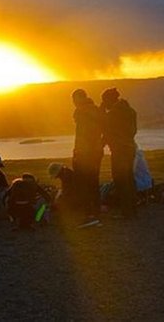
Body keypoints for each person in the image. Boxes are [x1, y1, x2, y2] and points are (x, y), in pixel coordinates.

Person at [101, 87, 138, 219]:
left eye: (104, 100)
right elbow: (133, 131)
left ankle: (126, 212)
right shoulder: (131, 111)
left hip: (119, 150)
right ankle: (133, 208)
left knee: (120, 180)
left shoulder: (113, 114)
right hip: (130, 148)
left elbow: (106, 132)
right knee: (129, 178)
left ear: (109, 99)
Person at [71, 88, 104, 228]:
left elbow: (83, 136)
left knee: (84, 183)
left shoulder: (83, 113)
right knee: (93, 182)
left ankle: (89, 215)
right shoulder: (95, 110)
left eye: (74, 100)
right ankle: (95, 212)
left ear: (79, 99)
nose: (73, 103)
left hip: (87, 154)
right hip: (96, 152)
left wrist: (78, 152)